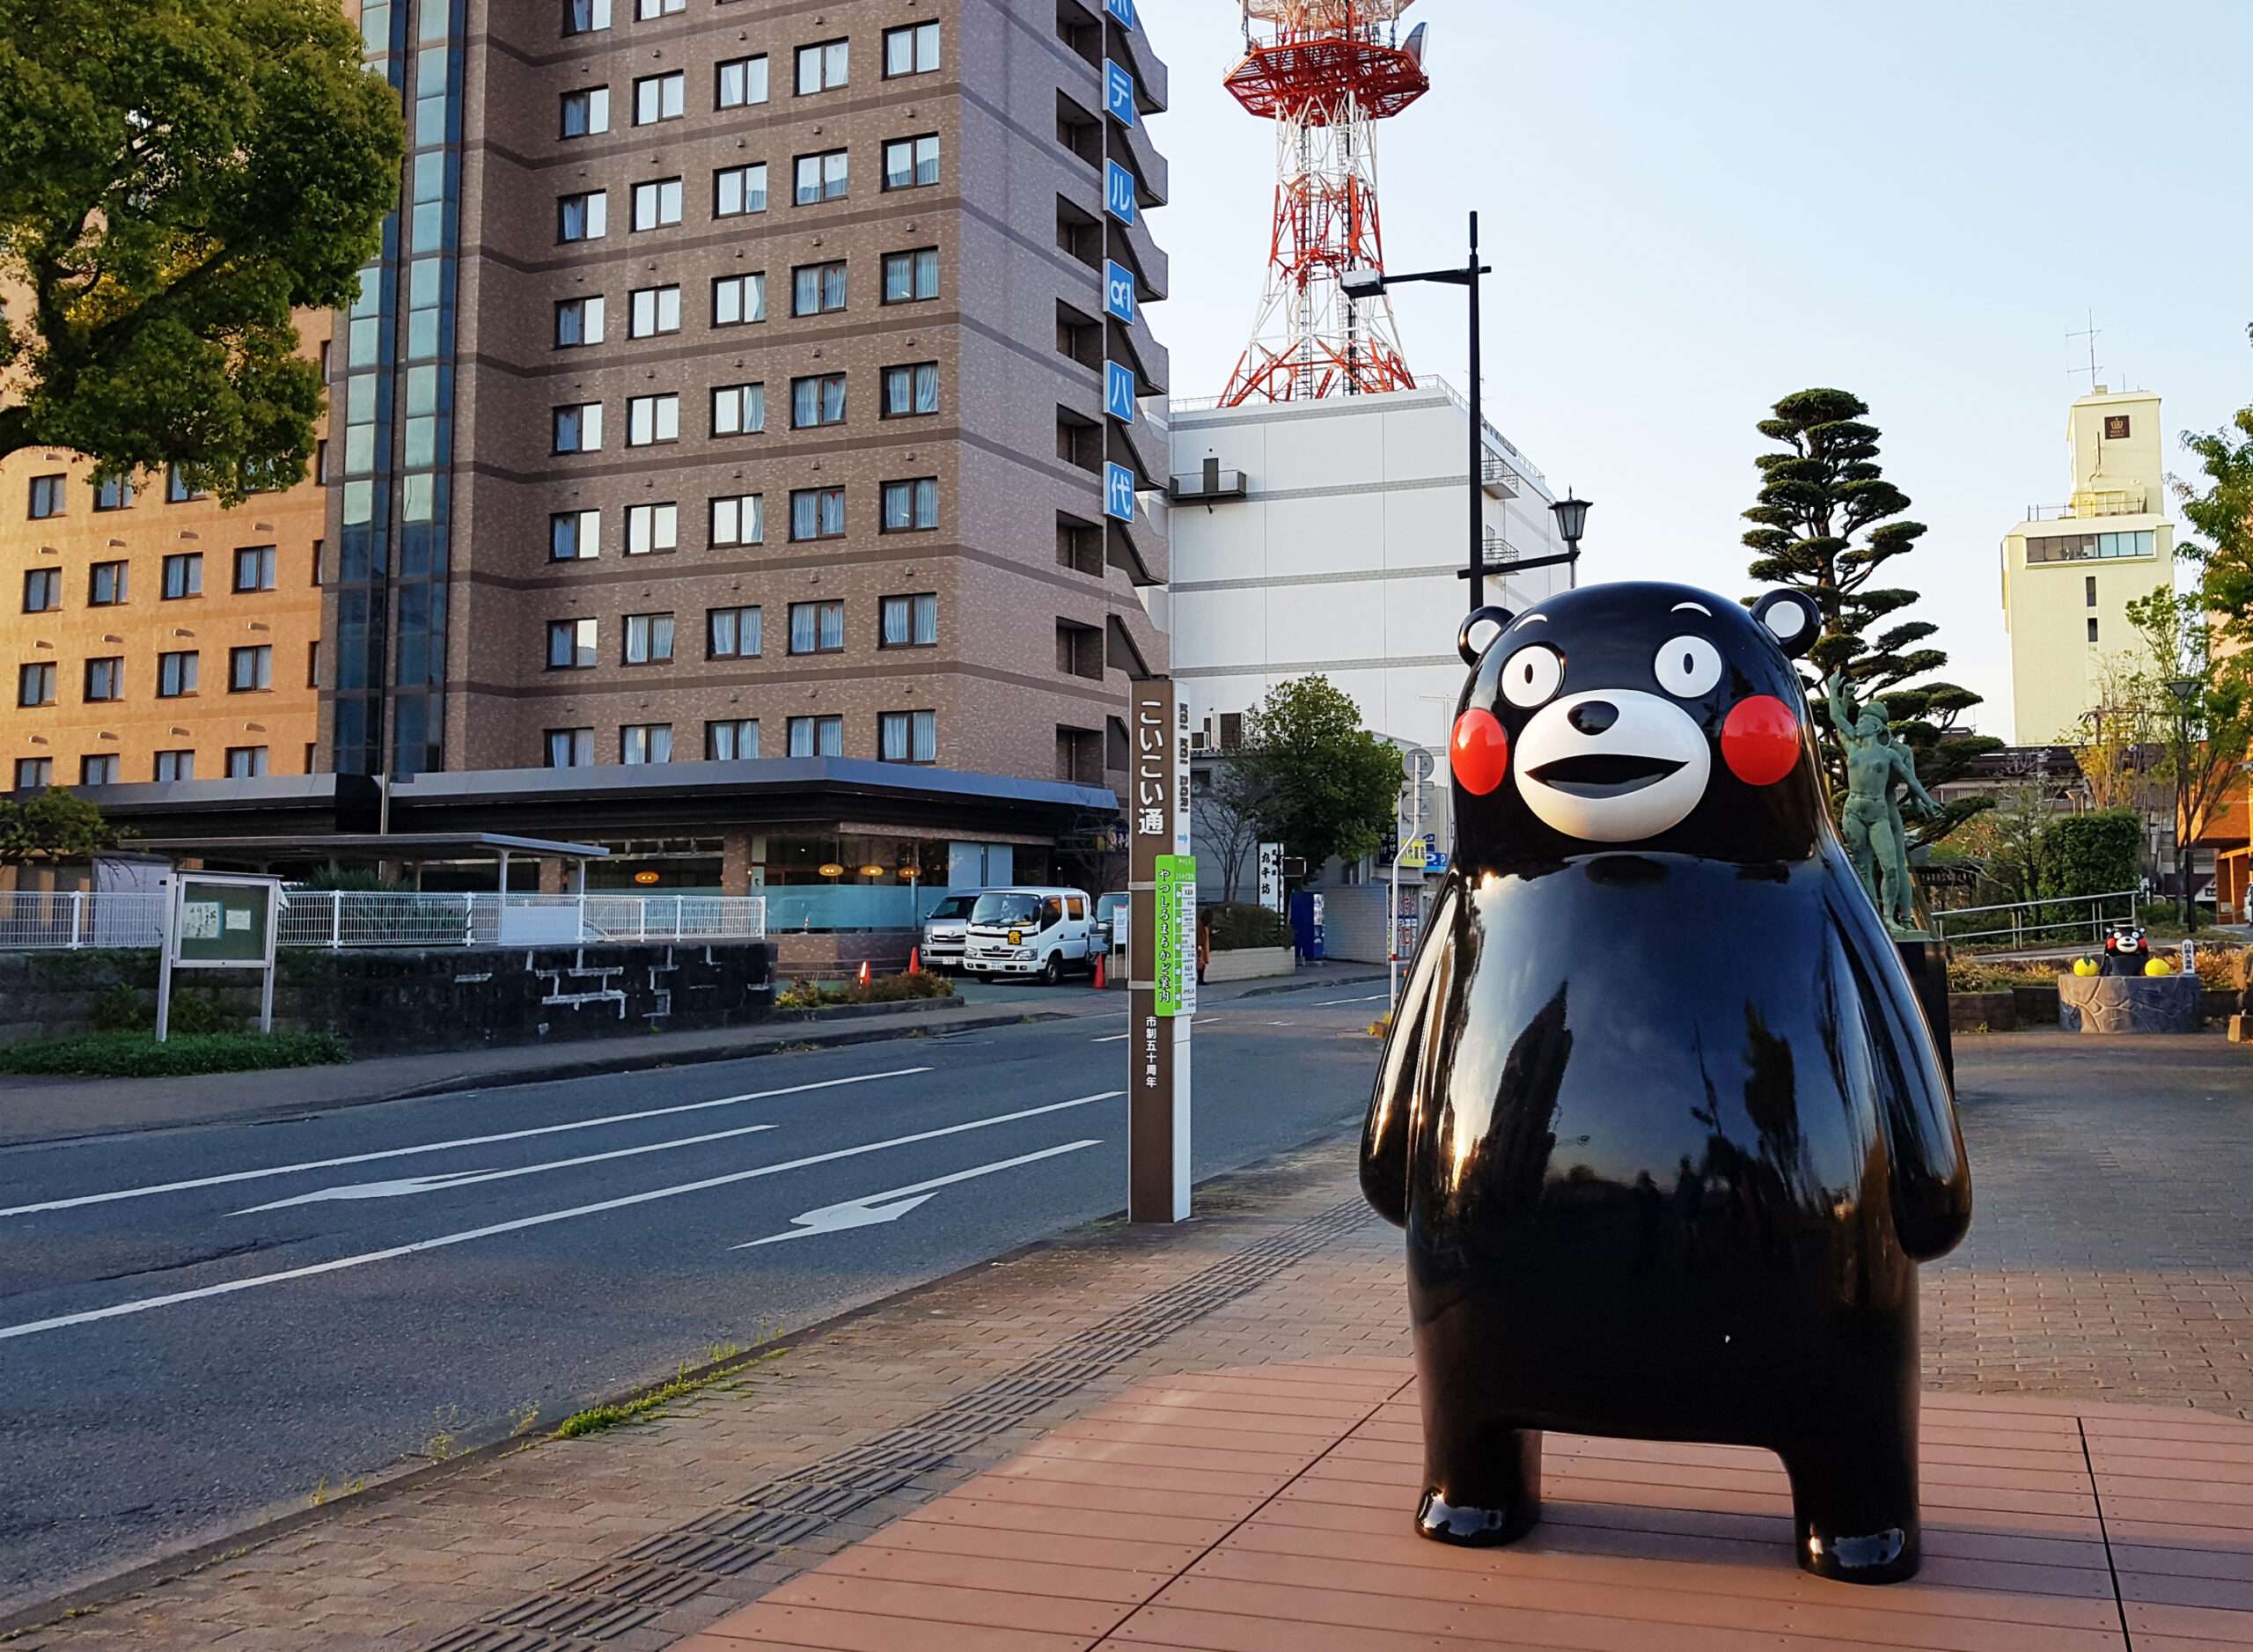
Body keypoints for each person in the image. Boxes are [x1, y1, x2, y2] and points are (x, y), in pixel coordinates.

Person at [1824, 670, 1942, 932]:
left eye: (1864, 721)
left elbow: (1911, 780)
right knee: (1863, 867)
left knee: (1890, 867)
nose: (1858, 724)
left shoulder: (1891, 754)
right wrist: (1835, 690)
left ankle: (1890, 917)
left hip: (1878, 811)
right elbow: (1837, 718)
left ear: (1876, 727)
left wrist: (1927, 800)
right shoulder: (1852, 748)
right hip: (1853, 810)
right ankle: (1873, 919)